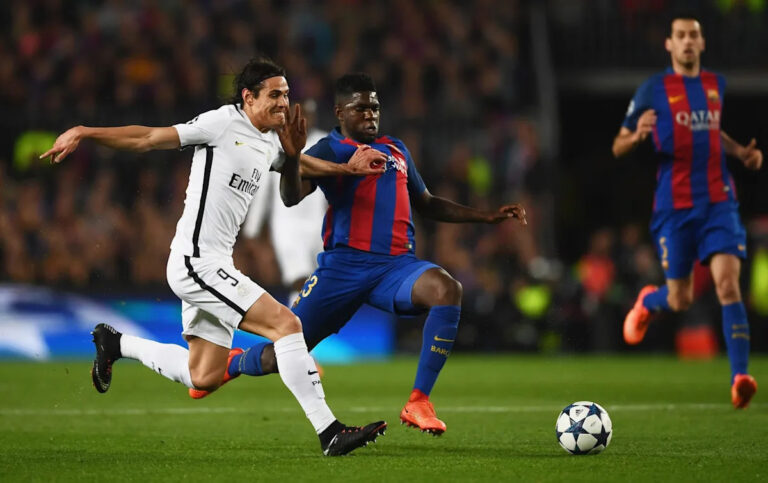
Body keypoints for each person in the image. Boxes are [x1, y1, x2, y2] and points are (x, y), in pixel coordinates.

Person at [39, 58, 390, 455]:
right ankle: (330, 432)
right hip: (196, 262)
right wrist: (85, 132)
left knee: (203, 375)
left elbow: (301, 163)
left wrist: (347, 169)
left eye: (286, 94)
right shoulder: (222, 123)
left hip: (215, 263)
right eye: (274, 95)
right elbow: (148, 138)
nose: (283, 103)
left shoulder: (268, 140)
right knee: (287, 324)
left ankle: (116, 343)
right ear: (248, 97)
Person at [195, 73, 527, 435]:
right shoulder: (329, 150)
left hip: (395, 268)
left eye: (375, 107)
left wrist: (486, 216)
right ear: (340, 112)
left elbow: (427, 203)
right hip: (342, 270)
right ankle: (235, 363)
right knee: (284, 352)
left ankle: (418, 401)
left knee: (446, 289)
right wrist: (292, 157)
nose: (371, 114)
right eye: (361, 108)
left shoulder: (396, 149)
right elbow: (290, 197)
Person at [613, 15, 763, 409]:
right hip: (674, 206)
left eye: (693, 35)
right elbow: (618, 144)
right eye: (680, 36)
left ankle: (740, 378)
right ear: (670, 44)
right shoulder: (654, 88)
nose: (687, 41)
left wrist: (740, 153)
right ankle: (648, 302)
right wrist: (637, 135)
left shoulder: (715, 84)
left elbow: (711, 132)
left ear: (702, 42)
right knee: (680, 299)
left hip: (719, 202)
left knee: (728, 285)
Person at [240, 98, 328, 307]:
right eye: (301, 113)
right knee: (299, 280)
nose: (305, 119)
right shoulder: (273, 143)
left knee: (320, 283)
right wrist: (252, 231)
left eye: (309, 114)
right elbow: (262, 190)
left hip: (319, 224)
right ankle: (298, 322)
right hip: (287, 226)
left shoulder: (325, 142)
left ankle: (309, 322)